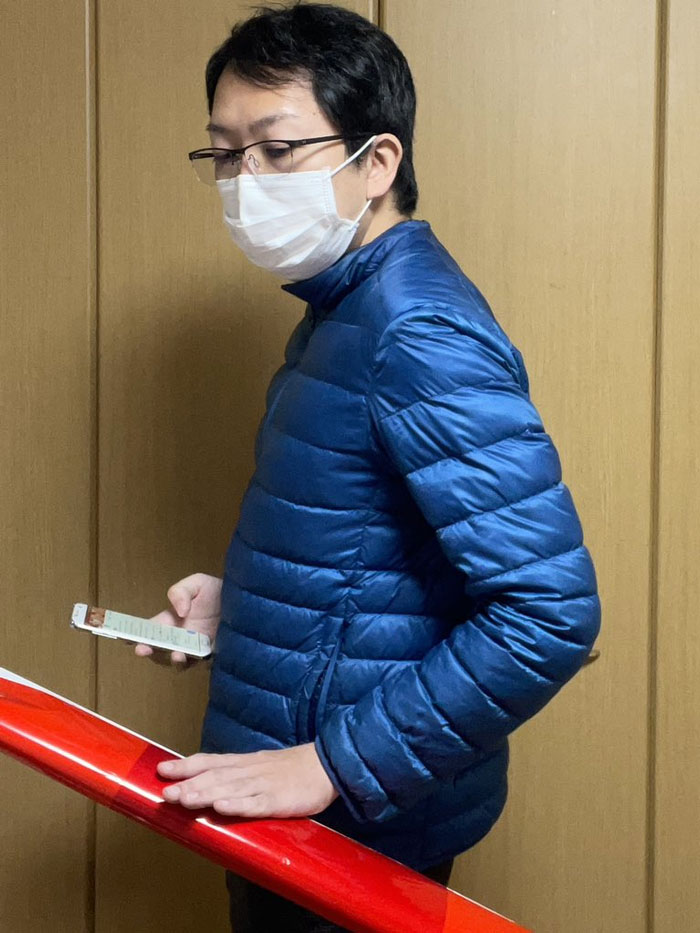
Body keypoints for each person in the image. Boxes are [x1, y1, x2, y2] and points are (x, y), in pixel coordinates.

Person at [134, 3, 602, 930]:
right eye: (224, 153)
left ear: (377, 162)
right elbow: (373, 544)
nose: (244, 179)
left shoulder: (413, 328)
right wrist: (251, 603)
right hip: (288, 813)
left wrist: (332, 763)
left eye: (276, 149)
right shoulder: (344, 306)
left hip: (351, 820)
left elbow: (549, 613)